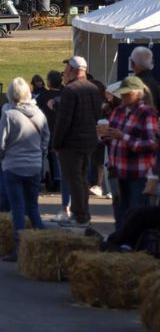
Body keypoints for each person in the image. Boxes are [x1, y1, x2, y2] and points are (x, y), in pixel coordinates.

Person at [0, 77, 49, 261]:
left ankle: (20, 247)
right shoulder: (39, 114)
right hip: (34, 165)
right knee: (33, 207)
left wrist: (3, 157)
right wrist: (39, 154)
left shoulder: (9, 115)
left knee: (17, 207)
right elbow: (46, 139)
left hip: (14, 165)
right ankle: (43, 243)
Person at [50, 56, 103, 226]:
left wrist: (56, 143)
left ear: (72, 70)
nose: (64, 73)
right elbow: (95, 114)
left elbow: (63, 121)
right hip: (89, 141)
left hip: (71, 143)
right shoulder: (93, 88)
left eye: (66, 70)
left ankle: (79, 215)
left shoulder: (70, 90)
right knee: (82, 179)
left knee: (74, 179)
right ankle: (83, 213)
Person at [100, 75, 158, 225]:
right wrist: (103, 136)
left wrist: (123, 137)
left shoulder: (147, 113)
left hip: (138, 173)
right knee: (120, 213)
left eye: (127, 93)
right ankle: (120, 243)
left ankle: (134, 245)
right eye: (122, 93)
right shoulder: (118, 110)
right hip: (118, 171)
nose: (124, 96)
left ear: (138, 94)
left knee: (136, 213)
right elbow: (112, 137)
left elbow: (152, 143)